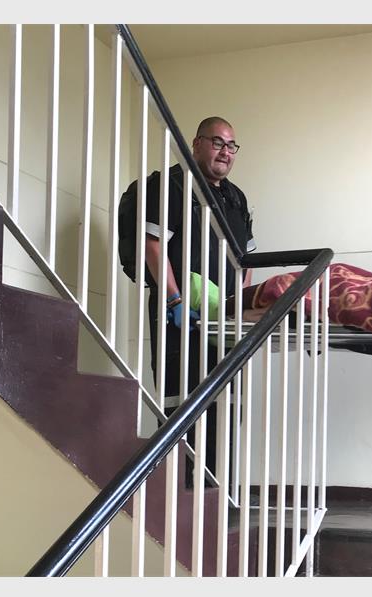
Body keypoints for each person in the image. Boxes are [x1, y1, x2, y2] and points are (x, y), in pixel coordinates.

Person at [145, 116, 256, 485]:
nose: (225, 151)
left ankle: (218, 492)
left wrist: (239, 307)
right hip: (182, 316)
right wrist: (174, 300)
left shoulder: (236, 198)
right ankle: (180, 490)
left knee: (227, 404)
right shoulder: (171, 185)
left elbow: (245, 261)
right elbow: (153, 246)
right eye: (217, 142)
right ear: (196, 144)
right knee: (183, 399)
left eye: (231, 145)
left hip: (225, 320)